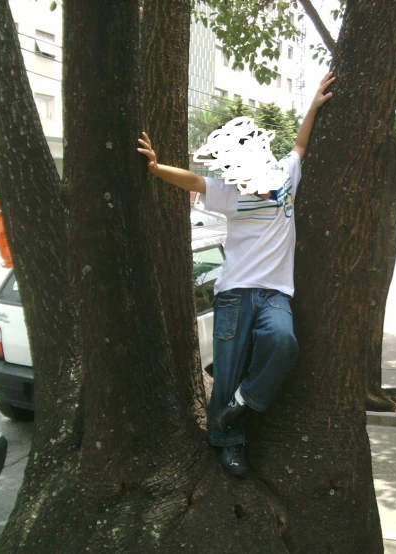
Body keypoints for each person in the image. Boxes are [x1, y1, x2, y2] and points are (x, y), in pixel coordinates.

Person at [138, 72, 335, 477]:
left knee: (283, 342)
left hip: (275, 293)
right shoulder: (230, 194)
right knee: (226, 368)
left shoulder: (285, 177)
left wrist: (313, 105)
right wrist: (156, 168)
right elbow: (193, 180)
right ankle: (227, 442)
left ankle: (242, 405)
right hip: (232, 294)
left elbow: (300, 145)